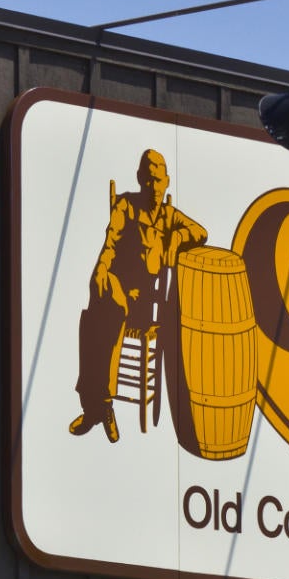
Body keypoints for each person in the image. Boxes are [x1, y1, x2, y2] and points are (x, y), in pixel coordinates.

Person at [69, 148, 205, 442]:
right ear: (141, 179)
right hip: (116, 289)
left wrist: (178, 236)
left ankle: (96, 408)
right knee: (100, 310)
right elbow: (110, 243)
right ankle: (101, 406)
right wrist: (100, 270)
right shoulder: (126, 206)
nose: (154, 187)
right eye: (149, 180)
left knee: (97, 318)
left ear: (167, 182)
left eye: (159, 180)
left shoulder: (169, 217)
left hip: (144, 306)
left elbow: (201, 233)